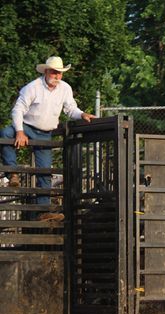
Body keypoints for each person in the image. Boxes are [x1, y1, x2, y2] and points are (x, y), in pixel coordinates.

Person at [0, 56, 96, 220]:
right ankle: (13, 173)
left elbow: (70, 108)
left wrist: (81, 114)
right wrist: (20, 131)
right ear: (46, 71)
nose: (57, 76)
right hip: (28, 127)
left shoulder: (65, 88)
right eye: (54, 72)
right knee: (5, 134)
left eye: (60, 73)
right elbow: (18, 110)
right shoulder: (33, 87)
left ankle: (43, 211)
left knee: (44, 172)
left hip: (45, 132)